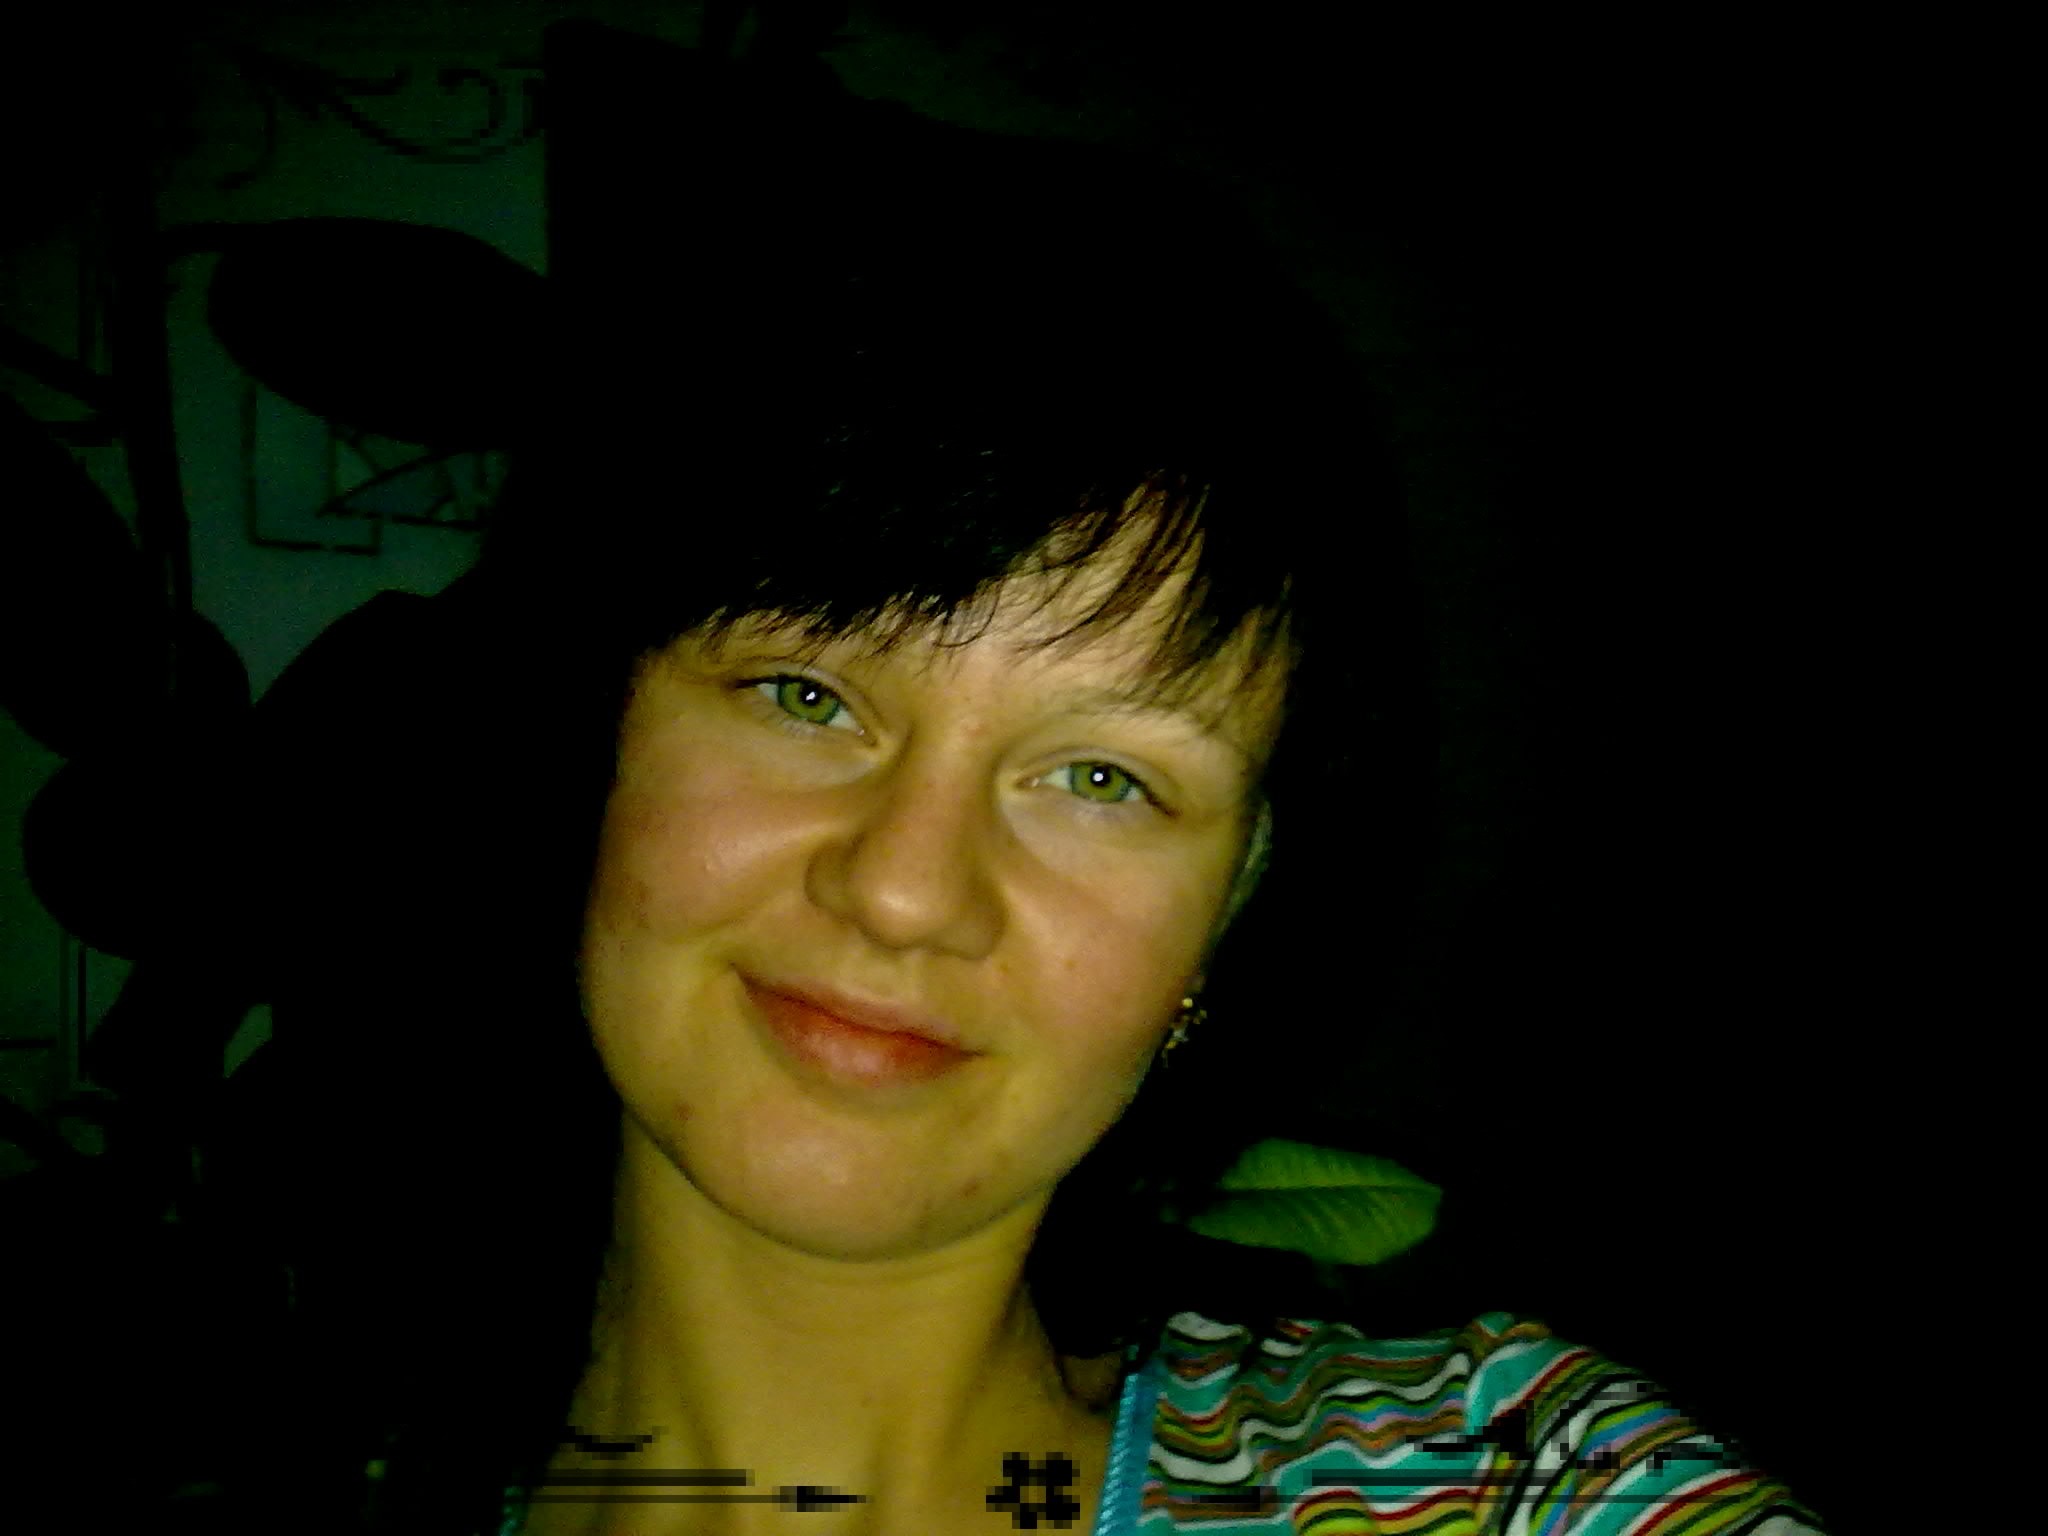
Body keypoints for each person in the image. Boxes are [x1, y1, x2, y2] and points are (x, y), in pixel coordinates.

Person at [318, 131, 1828, 1536]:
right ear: (598, 732)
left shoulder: (1515, 1485)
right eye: (806, 694)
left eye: (1103, 779)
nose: (905, 889)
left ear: (1227, 924)